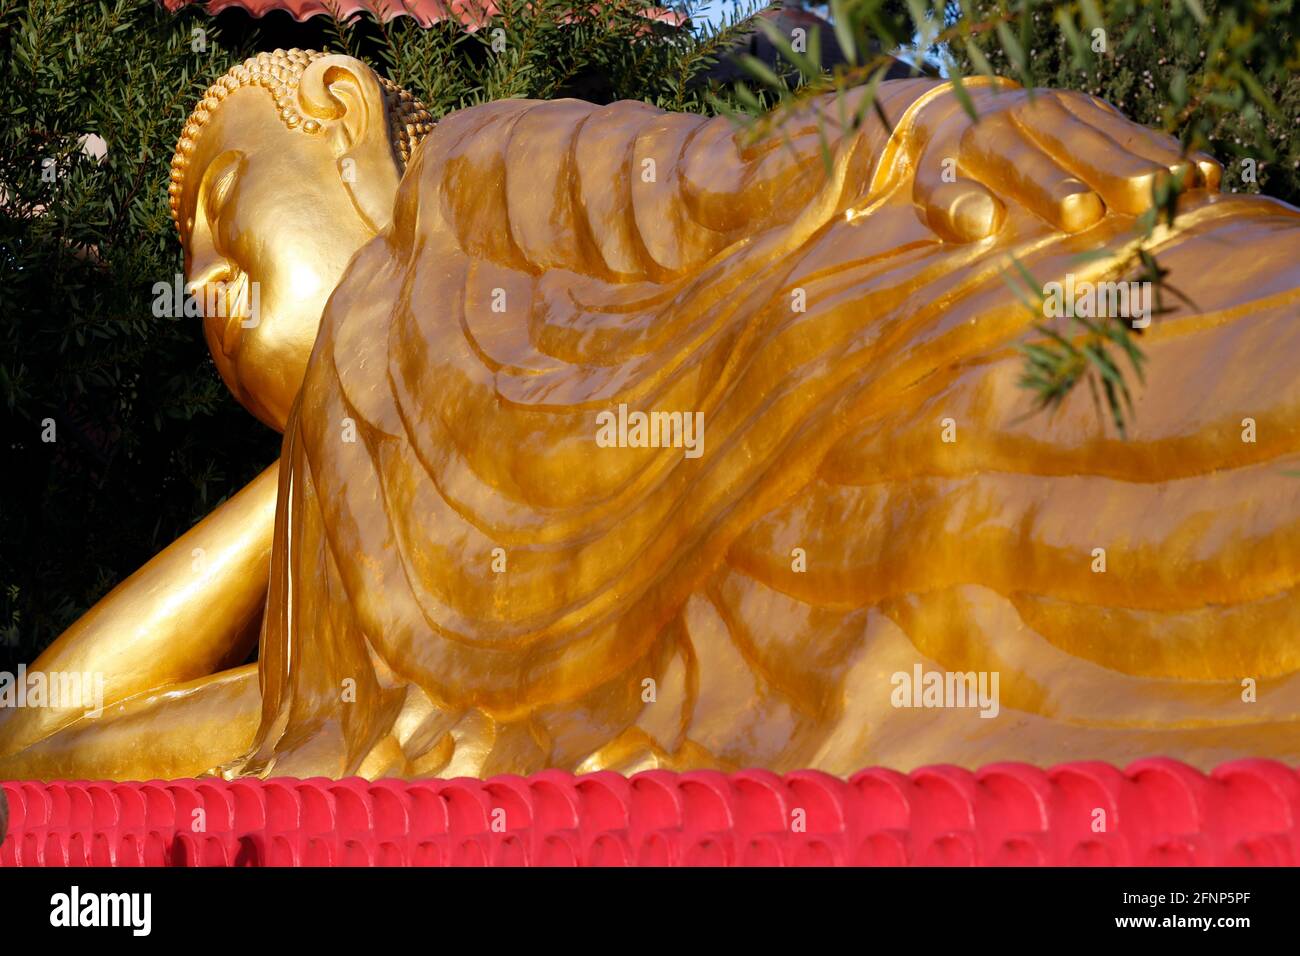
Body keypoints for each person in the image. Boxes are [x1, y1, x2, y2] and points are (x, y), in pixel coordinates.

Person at [3, 49, 1297, 780]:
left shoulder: (479, 178)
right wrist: (305, 464)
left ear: (343, 115)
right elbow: (39, 742)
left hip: (954, 379)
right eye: (196, 273)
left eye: (228, 207)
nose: (210, 287)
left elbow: (746, 178)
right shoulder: (347, 610)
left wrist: (942, 128)